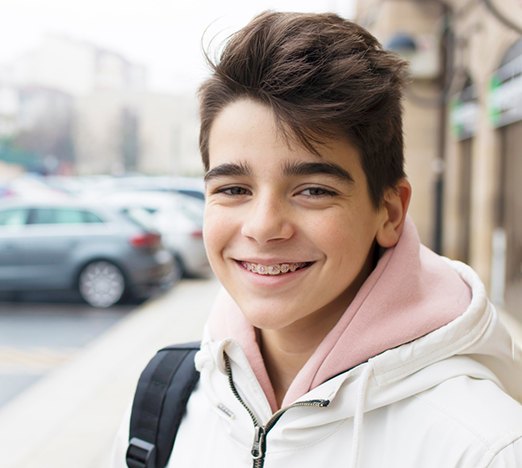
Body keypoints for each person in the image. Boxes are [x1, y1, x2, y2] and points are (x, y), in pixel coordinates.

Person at [113, 11, 522, 467]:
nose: (264, 226)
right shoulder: (166, 401)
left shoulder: (485, 447)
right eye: (233, 190)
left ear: (389, 212)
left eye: (313, 191)